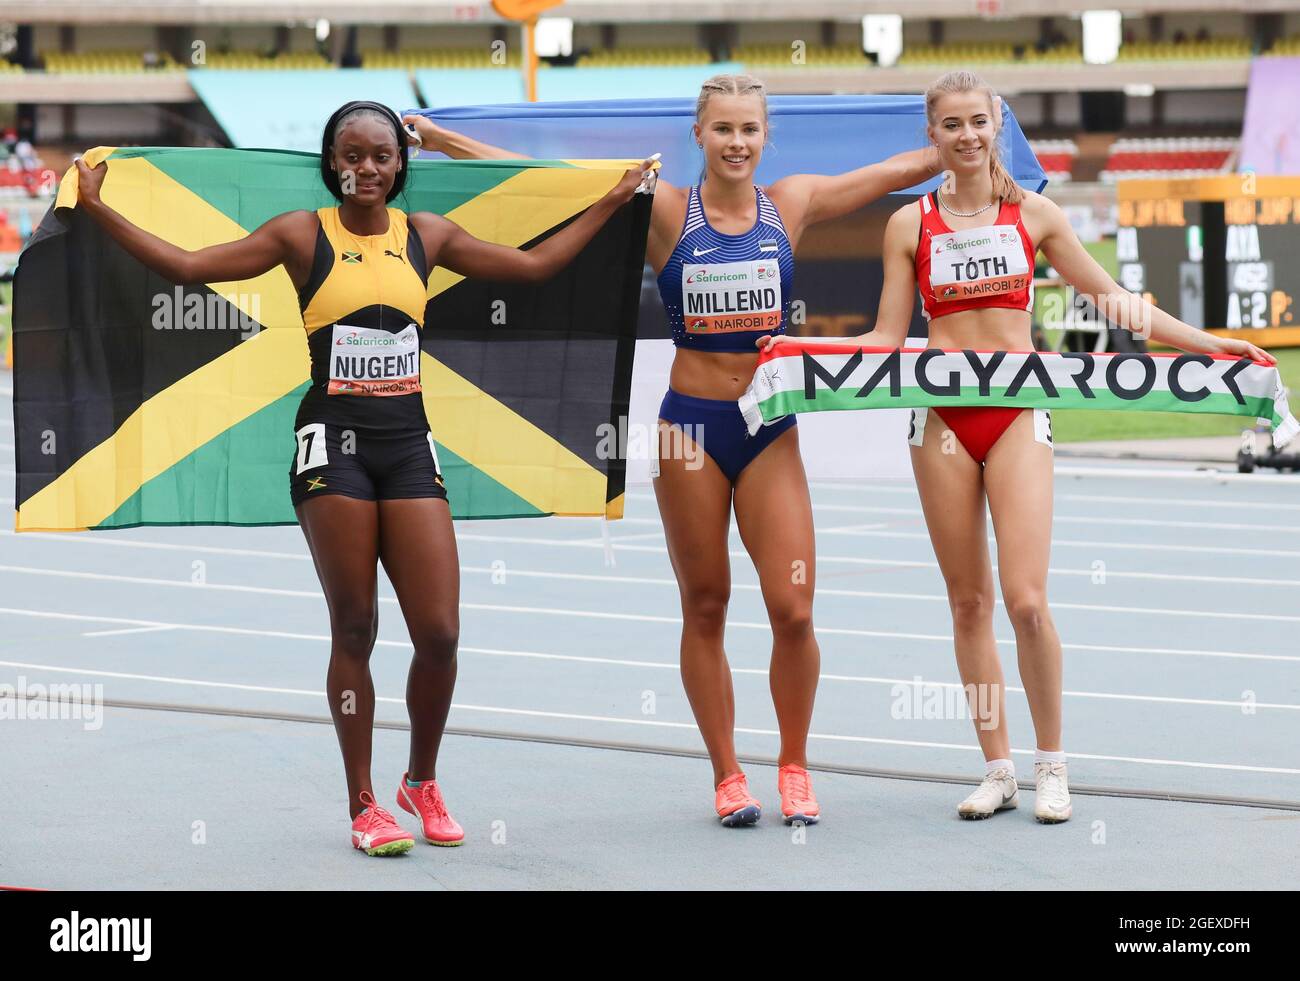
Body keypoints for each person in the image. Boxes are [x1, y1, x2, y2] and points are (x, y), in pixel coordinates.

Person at [75, 100, 650, 855]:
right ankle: (365, 801)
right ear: (331, 163)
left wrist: (610, 200)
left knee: (439, 632)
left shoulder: (429, 237)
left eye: (380, 154)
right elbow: (188, 266)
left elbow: (537, 267)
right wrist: (97, 208)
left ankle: (422, 778)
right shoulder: (299, 233)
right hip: (332, 445)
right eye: (351, 155)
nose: (366, 168)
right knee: (356, 625)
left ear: (400, 164)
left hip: (408, 442)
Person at [407, 74, 940, 827]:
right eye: (722, 129)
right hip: (690, 427)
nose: (736, 142)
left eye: (749, 130)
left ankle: (794, 764)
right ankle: (728, 774)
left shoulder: (791, 202)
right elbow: (537, 177)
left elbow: (896, 171)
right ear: (699, 135)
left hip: (769, 425)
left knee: (792, 608)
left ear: (766, 137)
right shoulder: (663, 209)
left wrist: (970, 137)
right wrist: (440, 138)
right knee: (707, 602)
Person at [767, 70, 1272, 823]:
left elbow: (1119, 304)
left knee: (1026, 599)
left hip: (1014, 413)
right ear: (931, 134)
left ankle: (1052, 765)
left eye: (979, 121)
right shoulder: (908, 225)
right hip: (939, 421)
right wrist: (797, 353)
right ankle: (997, 767)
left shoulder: (1034, 214)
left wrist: (1212, 345)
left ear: (996, 124)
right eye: (951, 125)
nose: (966, 136)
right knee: (967, 603)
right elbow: (883, 336)